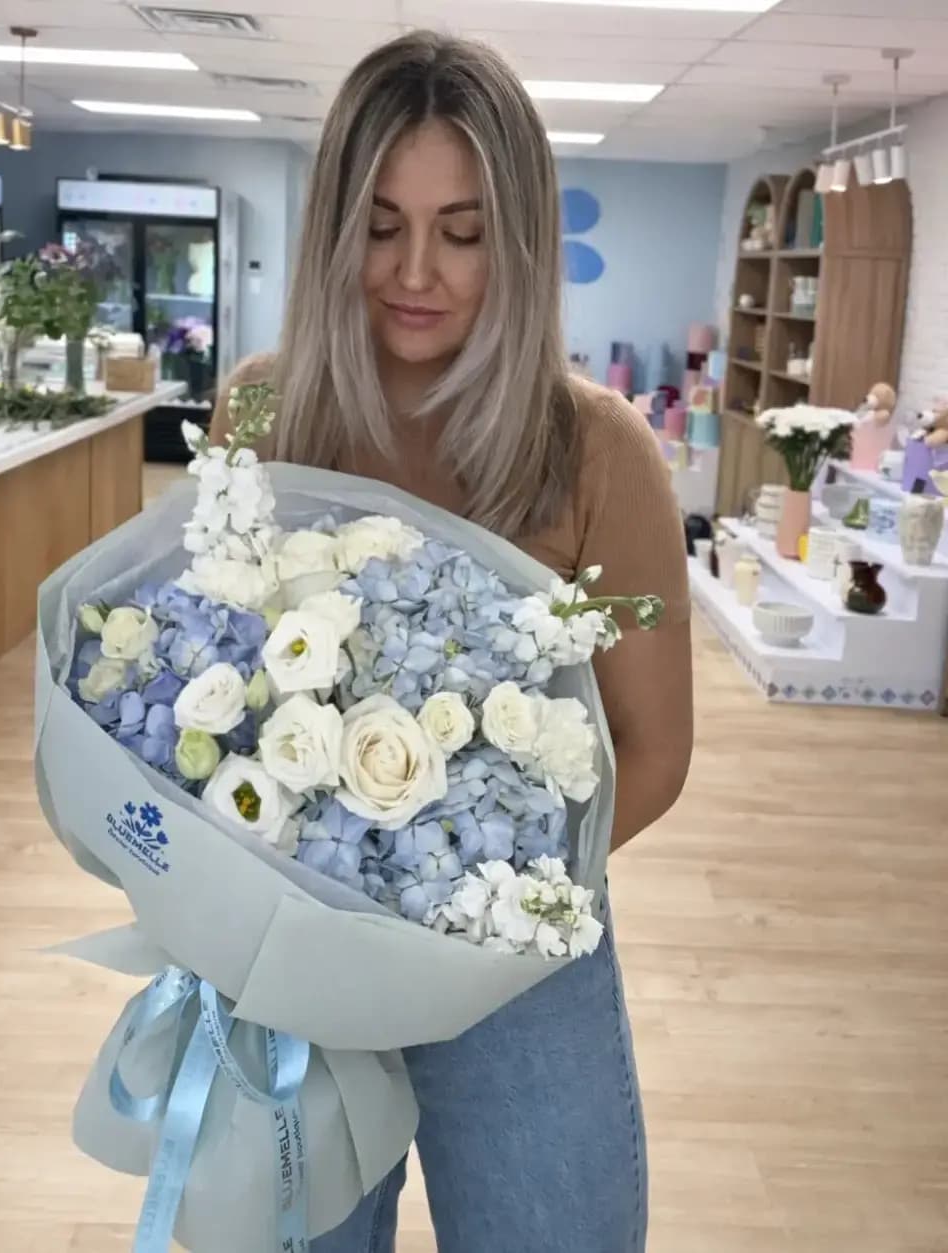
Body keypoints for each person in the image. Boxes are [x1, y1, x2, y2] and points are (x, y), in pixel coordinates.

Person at [209, 29, 692, 1253]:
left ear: (519, 244)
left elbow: (650, 744)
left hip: (517, 968)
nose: (415, 270)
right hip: (293, 954)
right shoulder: (260, 409)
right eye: (379, 225)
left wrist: (470, 913)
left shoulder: (597, 447)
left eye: (464, 232)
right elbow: (197, 680)